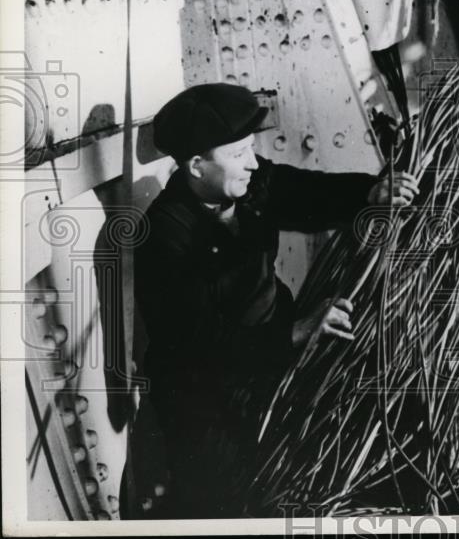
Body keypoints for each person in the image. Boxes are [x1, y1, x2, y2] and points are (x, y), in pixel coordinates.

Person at [135, 82, 418, 517]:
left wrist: (368, 192)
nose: (252, 163)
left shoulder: (248, 183)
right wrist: (296, 333)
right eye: (237, 154)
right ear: (195, 166)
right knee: (230, 504)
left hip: (270, 351)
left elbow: (300, 189)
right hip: (206, 396)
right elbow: (197, 347)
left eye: (251, 149)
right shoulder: (165, 236)